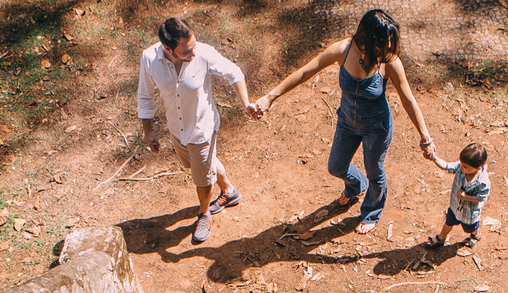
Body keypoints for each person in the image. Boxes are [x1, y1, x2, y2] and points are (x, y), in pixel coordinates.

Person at [255, 9, 436, 234]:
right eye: (383, 44)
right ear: (368, 40)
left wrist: (425, 137)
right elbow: (305, 72)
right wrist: (270, 97)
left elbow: (408, 100)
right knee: (336, 166)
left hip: (376, 127)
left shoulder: (389, 63)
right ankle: (356, 185)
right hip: (347, 122)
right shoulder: (342, 49)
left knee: (375, 171)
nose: (388, 50)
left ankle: (372, 211)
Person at [137, 17, 259, 244]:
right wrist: (149, 131)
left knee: (202, 180)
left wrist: (246, 104)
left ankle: (204, 215)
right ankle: (229, 191)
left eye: (193, 47)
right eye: (185, 52)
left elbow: (234, 73)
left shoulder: (202, 53)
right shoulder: (149, 59)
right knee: (200, 164)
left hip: (202, 129)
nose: (193, 54)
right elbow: (145, 96)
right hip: (176, 130)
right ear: (167, 48)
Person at [426, 143, 490, 249]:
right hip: (455, 207)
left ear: (477, 168)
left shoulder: (482, 182)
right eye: (461, 164)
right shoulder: (461, 167)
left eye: (465, 167)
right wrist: (434, 157)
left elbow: (482, 197)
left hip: (469, 213)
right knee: (448, 222)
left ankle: (475, 235)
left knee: (470, 228)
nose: (461, 167)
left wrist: (465, 197)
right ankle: (441, 238)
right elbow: (446, 166)